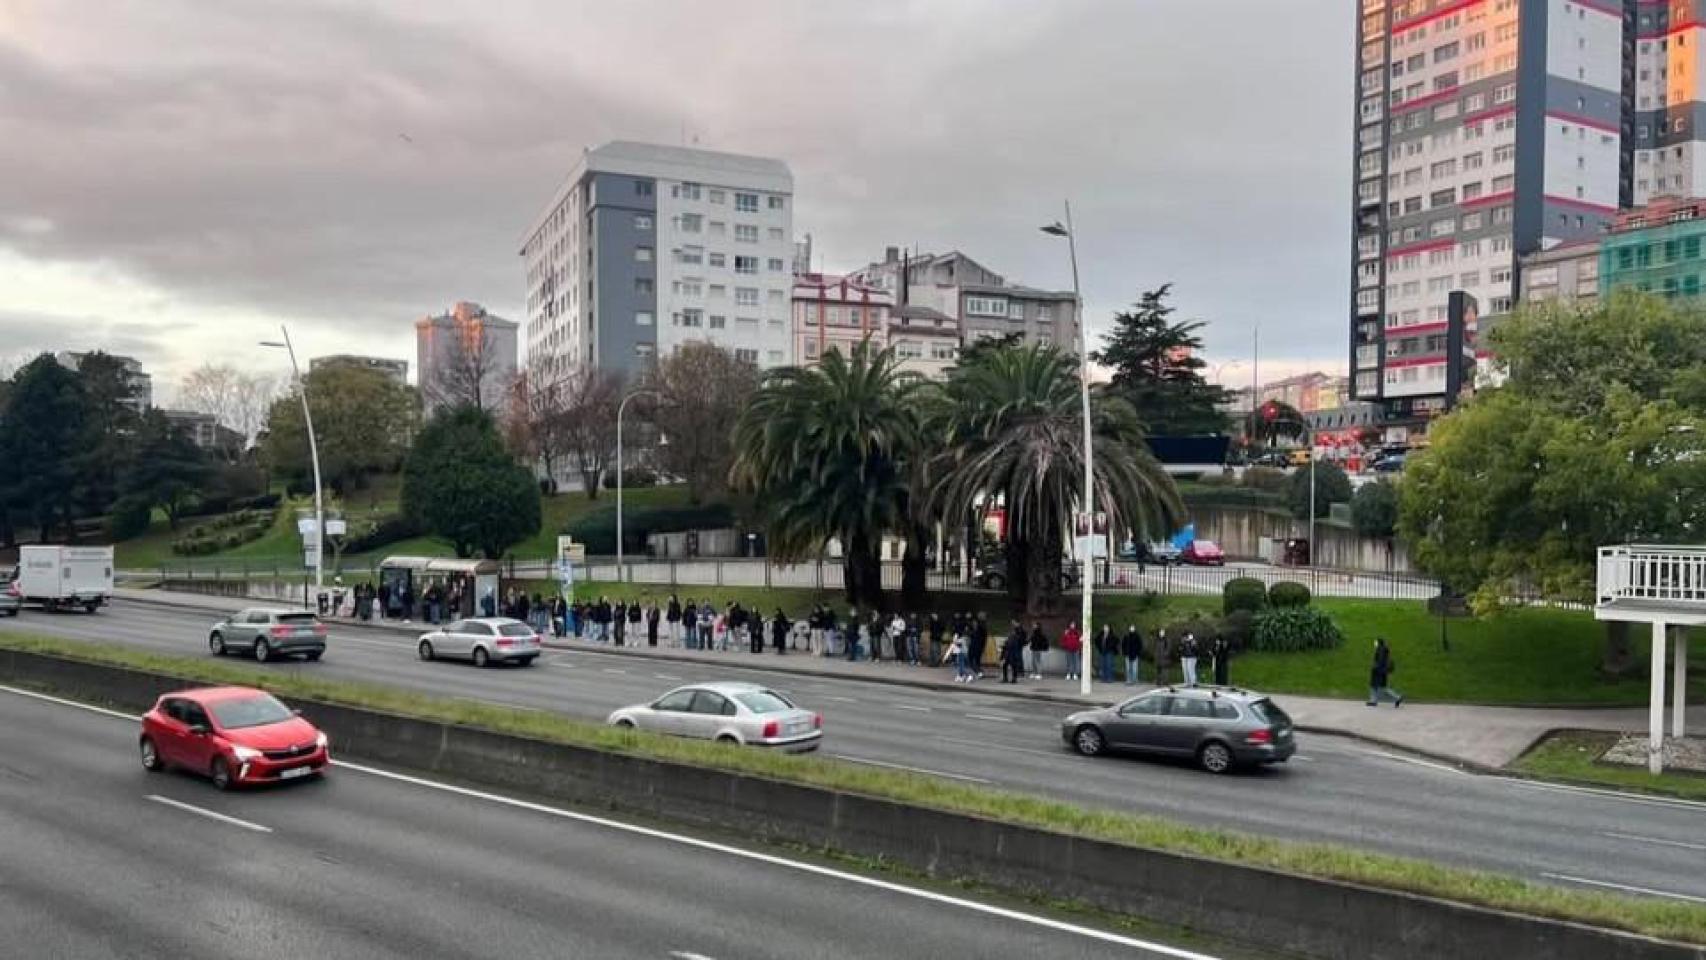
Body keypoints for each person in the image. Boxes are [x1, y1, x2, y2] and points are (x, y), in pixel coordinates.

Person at [1368, 637, 1403, 707]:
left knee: (1379, 687)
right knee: (1375, 686)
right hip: (1381, 671)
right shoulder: (1383, 649)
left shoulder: (1381, 649)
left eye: (1375, 642)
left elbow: (1380, 660)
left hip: (1379, 671)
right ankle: (1373, 700)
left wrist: (1375, 667)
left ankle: (1397, 697)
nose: (1374, 643)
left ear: (1378, 642)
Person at [970, 612, 989, 680]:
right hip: (974, 644)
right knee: (972, 659)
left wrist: (983, 646)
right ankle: (977, 671)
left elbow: (984, 637)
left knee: (976, 659)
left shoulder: (982, 626)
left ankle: (978, 672)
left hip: (978, 645)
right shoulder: (978, 626)